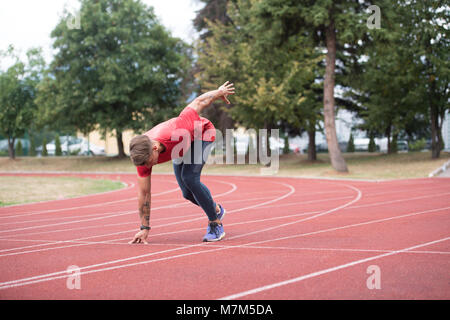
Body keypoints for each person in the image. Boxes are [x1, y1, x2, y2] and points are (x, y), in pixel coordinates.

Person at [128, 81, 235, 244]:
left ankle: (215, 224)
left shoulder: (176, 129)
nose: (148, 167)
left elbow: (198, 102)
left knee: (190, 178)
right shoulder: (142, 155)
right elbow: (144, 193)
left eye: (150, 162)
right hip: (181, 147)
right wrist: (144, 228)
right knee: (186, 192)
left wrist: (219, 92)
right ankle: (216, 209)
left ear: (155, 148)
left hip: (202, 134)